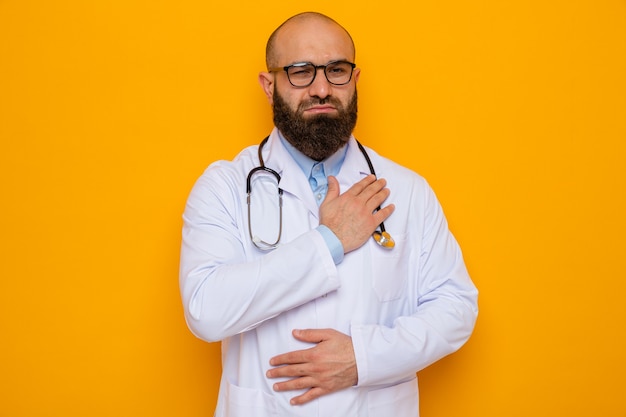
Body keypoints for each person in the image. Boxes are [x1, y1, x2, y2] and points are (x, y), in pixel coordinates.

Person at [180, 11, 478, 416]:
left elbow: (456, 306)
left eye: (336, 70)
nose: (321, 88)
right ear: (270, 87)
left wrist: (364, 358)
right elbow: (206, 310)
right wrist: (329, 241)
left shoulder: (408, 190)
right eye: (300, 71)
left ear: (354, 81)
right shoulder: (225, 187)